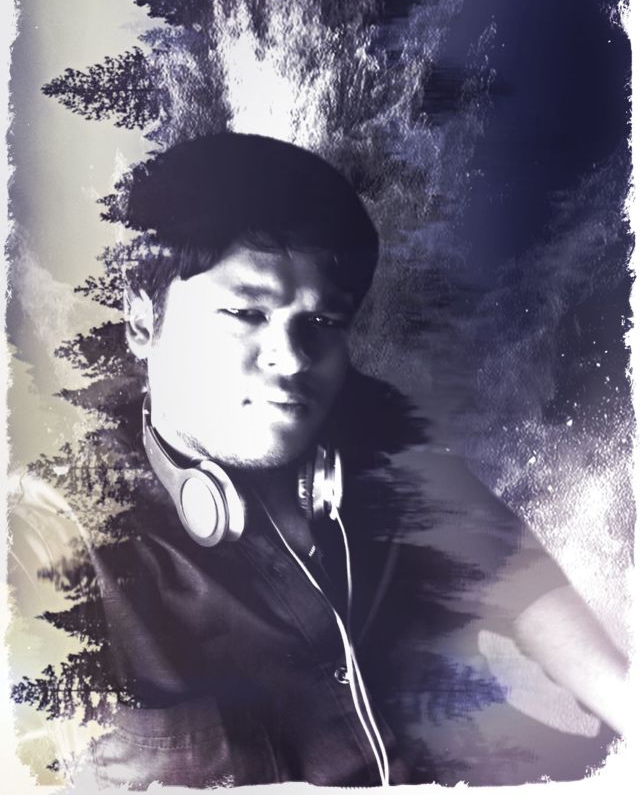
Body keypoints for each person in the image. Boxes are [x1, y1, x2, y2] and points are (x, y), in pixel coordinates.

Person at [9, 133, 628, 788]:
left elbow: (513, 573)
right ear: (142, 321)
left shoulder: (379, 434)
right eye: (247, 312)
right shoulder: (50, 534)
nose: (293, 358)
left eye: (324, 321)